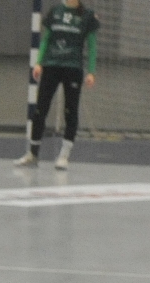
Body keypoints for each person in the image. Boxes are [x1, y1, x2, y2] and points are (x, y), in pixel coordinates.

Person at [15, 0, 98, 171]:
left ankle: (64, 156)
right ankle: (32, 154)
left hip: (73, 68)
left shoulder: (87, 15)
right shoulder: (55, 11)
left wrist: (91, 71)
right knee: (40, 109)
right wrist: (39, 62)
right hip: (52, 66)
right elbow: (47, 39)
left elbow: (92, 45)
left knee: (71, 111)